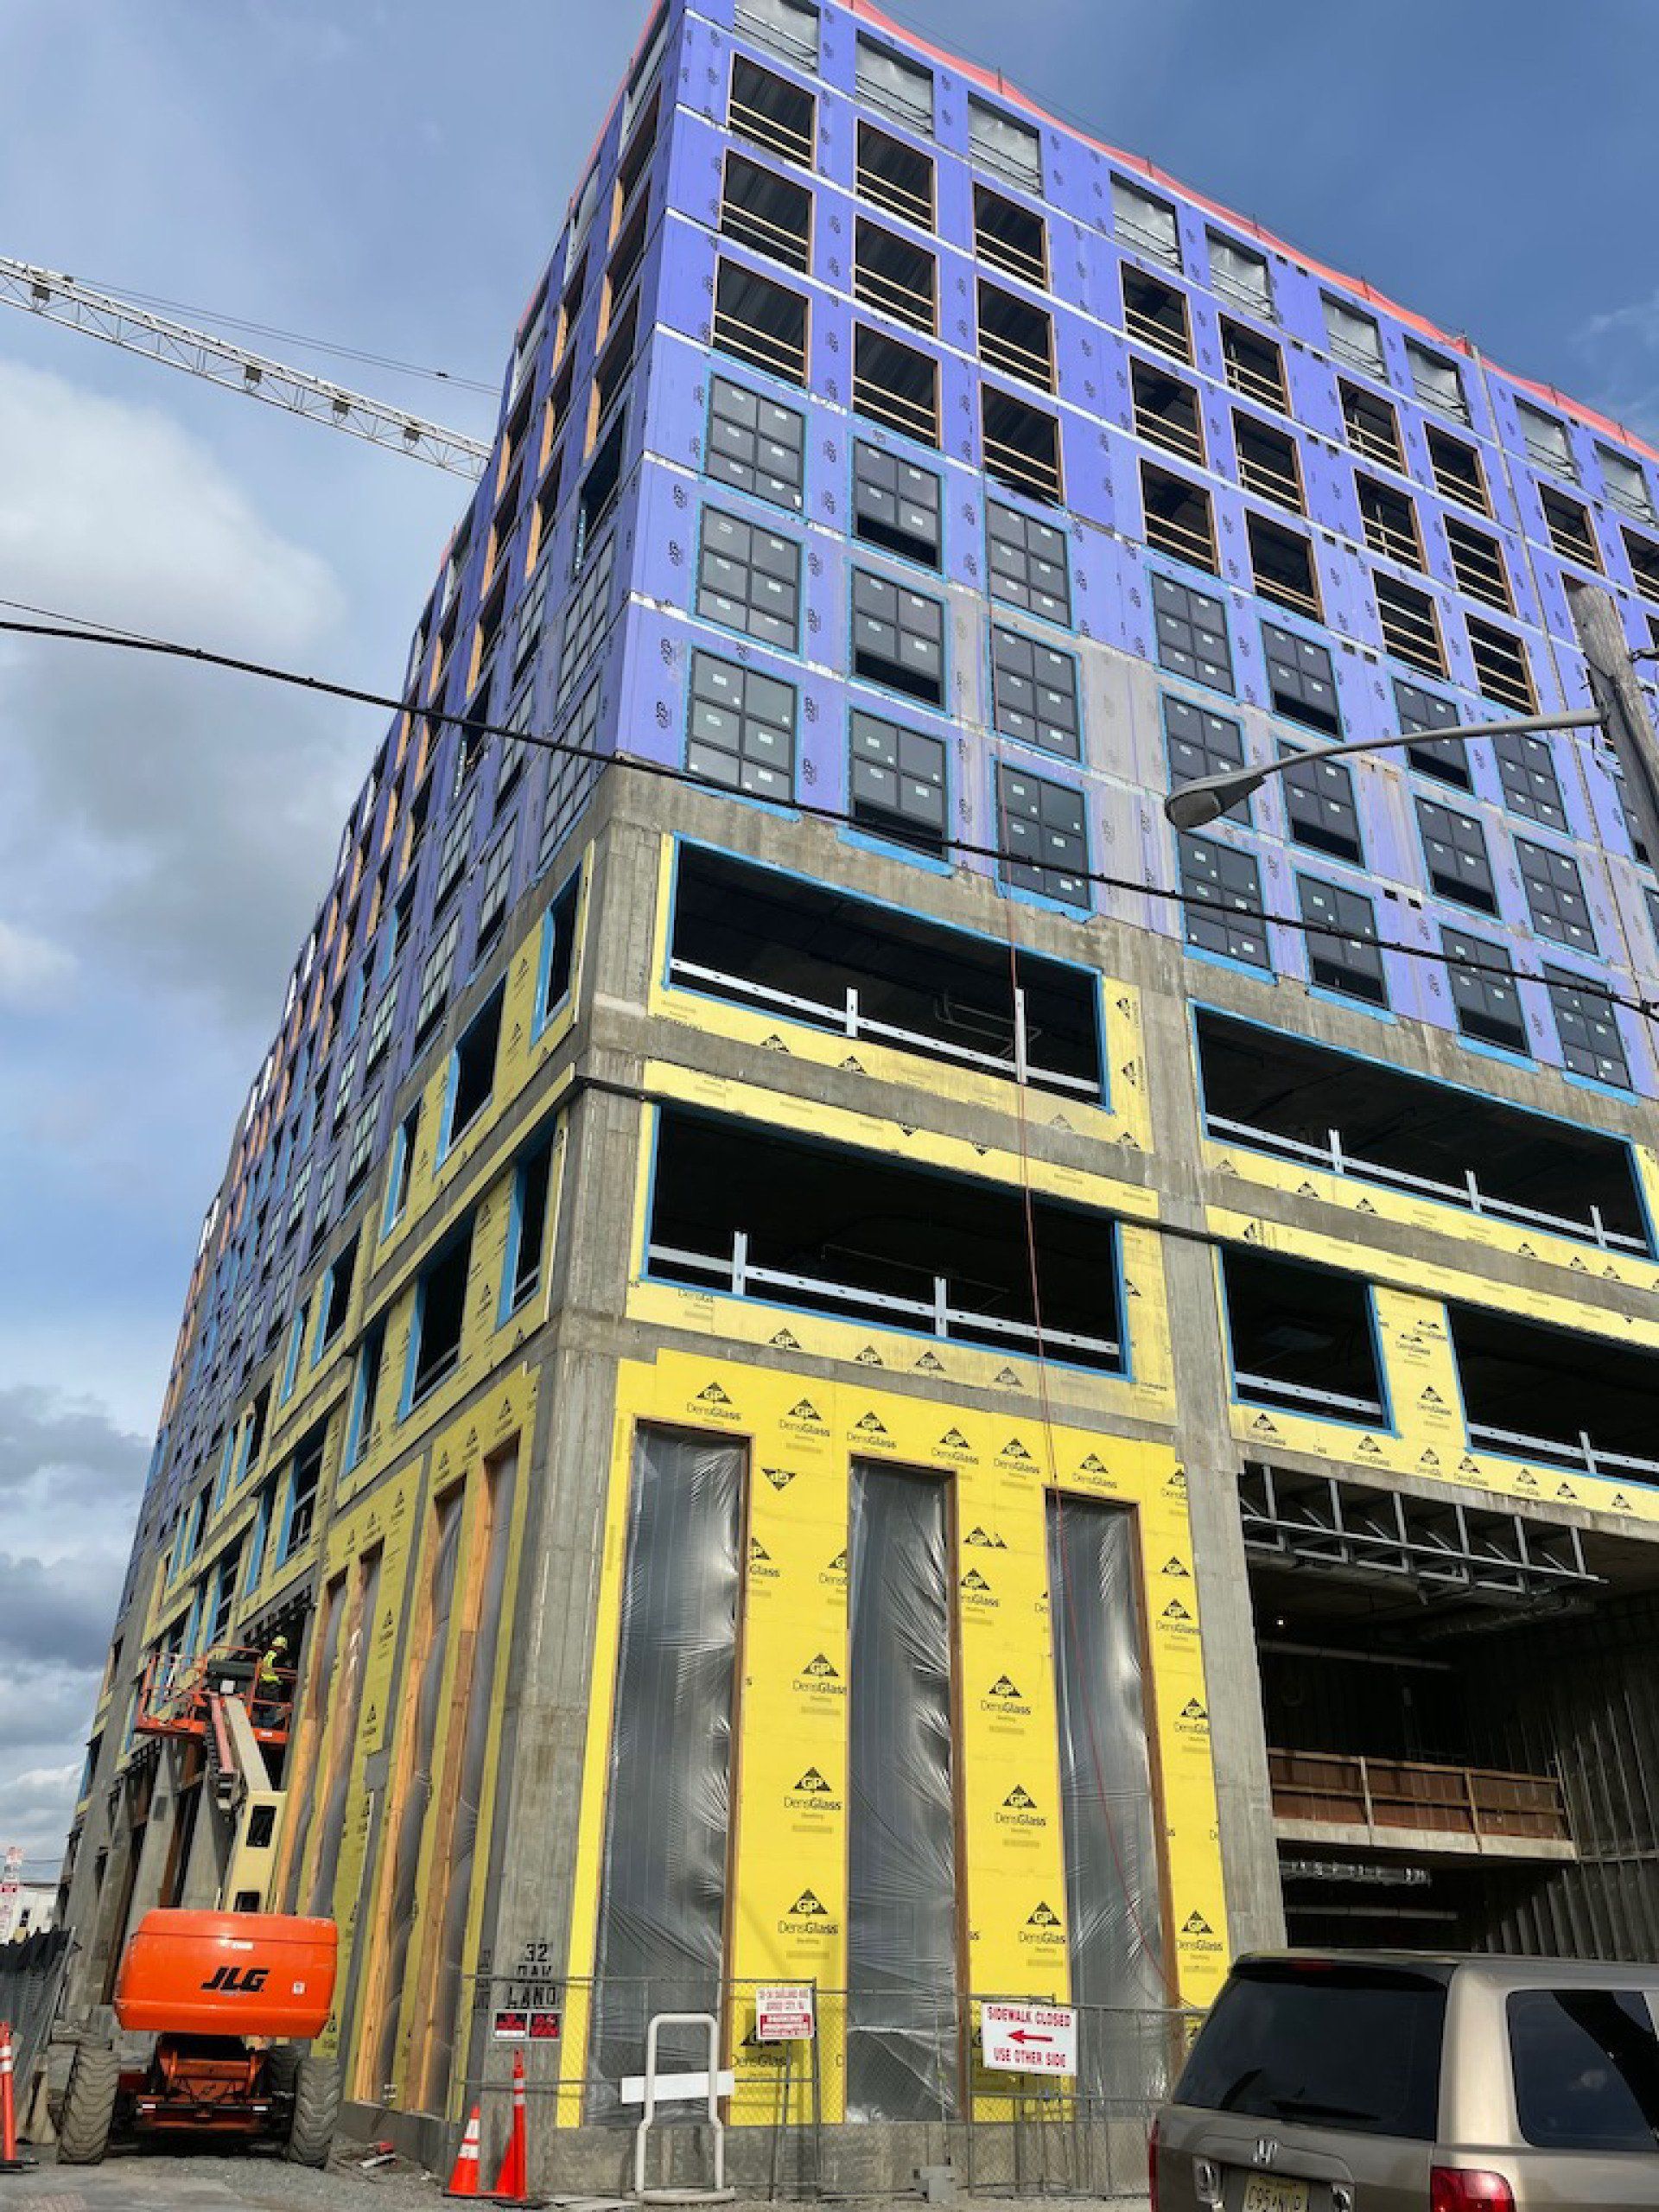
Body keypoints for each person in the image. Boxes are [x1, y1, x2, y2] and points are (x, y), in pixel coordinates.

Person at [255, 1633, 290, 1726]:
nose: (282, 1652)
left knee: (262, 1710)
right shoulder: (276, 1658)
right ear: (280, 1648)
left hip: (263, 1686)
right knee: (270, 1711)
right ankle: (266, 1728)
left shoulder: (267, 1656)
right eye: (282, 1649)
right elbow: (279, 1670)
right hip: (272, 1687)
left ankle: (259, 1726)